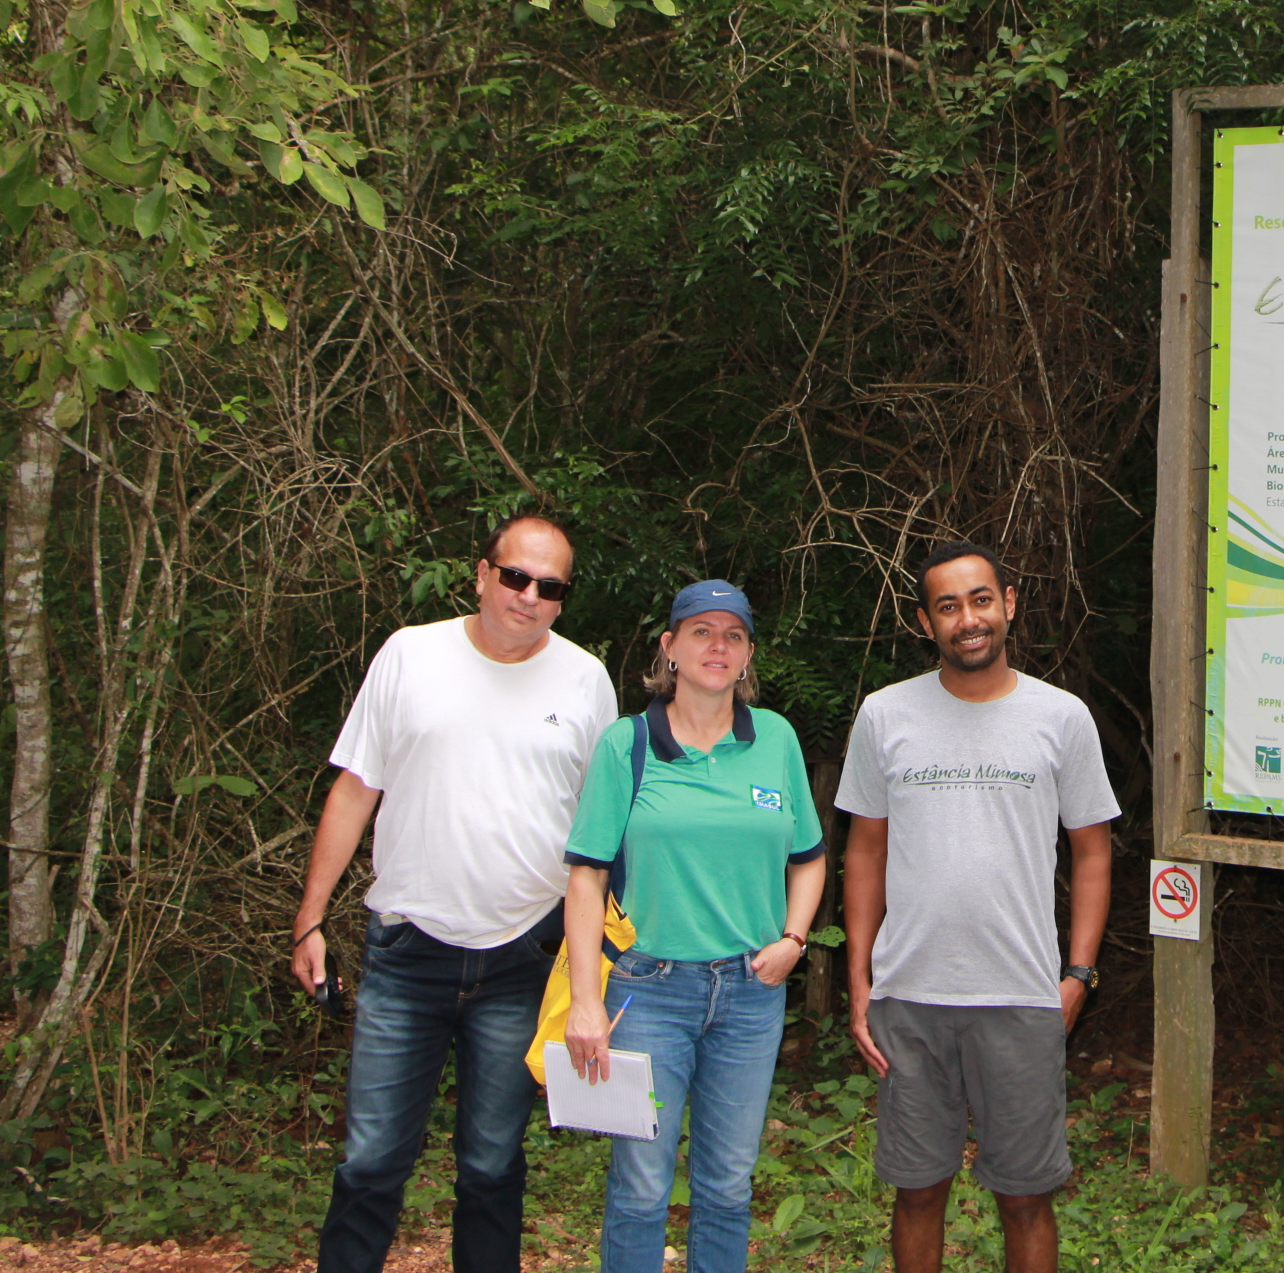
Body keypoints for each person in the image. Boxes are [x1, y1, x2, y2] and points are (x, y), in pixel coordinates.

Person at [292, 515, 617, 1273]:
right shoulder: (411, 654)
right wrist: (310, 919)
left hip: (521, 960)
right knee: (371, 1161)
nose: (529, 597)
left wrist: (593, 965)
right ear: (480, 574)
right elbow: (354, 789)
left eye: (550, 587)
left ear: (564, 599)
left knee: (493, 1166)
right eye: (515, 577)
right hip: (408, 952)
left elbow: (602, 834)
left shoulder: (584, 679)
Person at [837, 541, 1119, 1273]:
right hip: (909, 997)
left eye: (981, 600)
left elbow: (1093, 852)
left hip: (1022, 996)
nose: (968, 619)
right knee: (918, 1191)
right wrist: (860, 983)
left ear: (1009, 603)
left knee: (1026, 1197)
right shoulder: (884, 714)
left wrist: (1078, 975)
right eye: (949, 606)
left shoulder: (1061, 718)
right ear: (926, 620)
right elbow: (863, 852)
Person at [560, 578, 827, 1273]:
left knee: (728, 1184)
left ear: (748, 655)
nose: (718, 646)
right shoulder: (628, 744)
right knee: (643, 1188)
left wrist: (794, 939)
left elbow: (810, 859)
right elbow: (586, 876)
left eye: (733, 635)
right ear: (669, 647)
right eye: (701, 632)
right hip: (647, 992)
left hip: (750, 993)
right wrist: (586, 1001)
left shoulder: (775, 739)